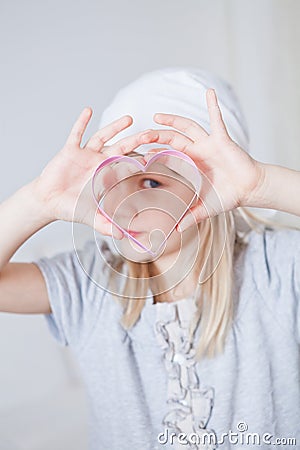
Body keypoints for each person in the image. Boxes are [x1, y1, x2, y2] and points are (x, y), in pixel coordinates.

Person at [0, 67, 299, 450]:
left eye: (153, 181)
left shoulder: (274, 272)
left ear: (210, 184)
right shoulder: (89, 286)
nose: (127, 204)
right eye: (115, 181)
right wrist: (38, 200)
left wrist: (260, 184)